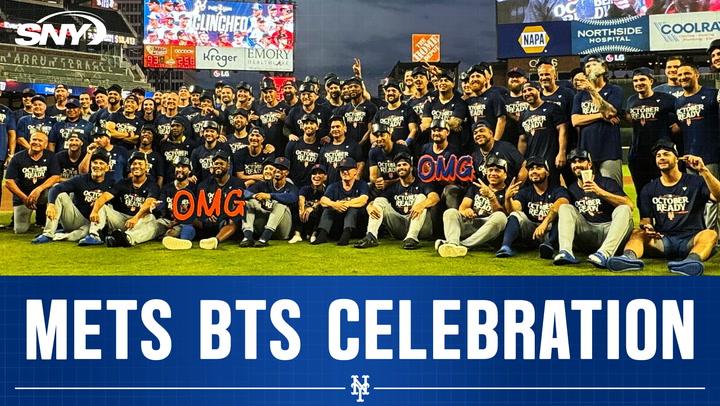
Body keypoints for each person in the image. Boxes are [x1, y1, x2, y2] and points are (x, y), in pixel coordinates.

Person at [606, 141, 720, 276]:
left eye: (666, 154)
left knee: (710, 234)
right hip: (663, 240)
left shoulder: (696, 182)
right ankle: (627, 259)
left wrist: (703, 170)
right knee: (637, 233)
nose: (661, 158)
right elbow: (645, 220)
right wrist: (647, 227)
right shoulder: (649, 189)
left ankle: (691, 262)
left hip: (691, 239)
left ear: (677, 158)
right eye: (658, 155)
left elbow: (717, 196)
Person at [553, 148, 634, 267]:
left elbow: (630, 204)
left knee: (624, 209)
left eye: (581, 161)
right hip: (587, 232)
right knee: (565, 207)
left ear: (589, 164)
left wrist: (600, 192)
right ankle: (566, 252)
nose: (577, 165)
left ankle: (604, 254)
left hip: (609, 231)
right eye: (574, 162)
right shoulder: (572, 189)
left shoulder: (606, 182)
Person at [31, 149, 114, 243]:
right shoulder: (80, 179)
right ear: (91, 165)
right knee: (60, 194)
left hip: (96, 222)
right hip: (76, 218)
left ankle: (59, 235)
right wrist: (51, 204)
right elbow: (55, 189)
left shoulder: (112, 182)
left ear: (107, 168)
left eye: (101, 163)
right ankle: (48, 234)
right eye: (95, 162)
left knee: (82, 234)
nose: (97, 166)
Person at [79, 151, 161, 247]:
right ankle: (94, 235)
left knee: (151, 218)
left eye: (140, 163)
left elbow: (148, 203)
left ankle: (127, 238)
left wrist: (135, 218)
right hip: (123, 221)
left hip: (140, 221)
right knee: (102, 206)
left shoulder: (152, 185)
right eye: (134, 164)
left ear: (146, 167)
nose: (137, 166)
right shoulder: (123, 183)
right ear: (130, 167)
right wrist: (94, 211)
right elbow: (104, 196)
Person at [354, 152, 434, 250]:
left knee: (421, 197)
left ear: (411, 167)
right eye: (399, 165)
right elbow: (379, 201)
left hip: (422, 229)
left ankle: (412, 237)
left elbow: (435, 197)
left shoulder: (422, 183)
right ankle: (371, 236)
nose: (401, 167)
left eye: (404, 164)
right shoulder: (393, 187)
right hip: (399, 228)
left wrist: (422, 205)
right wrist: (369, 206)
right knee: (379, 201)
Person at [496, 156, 570, 259]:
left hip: (550, 231)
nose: (534, 171)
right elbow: (514, 209)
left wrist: (545, 222)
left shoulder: (557, 190)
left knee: (561, 213)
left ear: (547, 172)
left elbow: (562, 202)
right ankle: (505, 247)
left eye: (538, 168)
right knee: (515, 215)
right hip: (531, 232)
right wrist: (508, 199)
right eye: (531, 169)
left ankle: (549, 245)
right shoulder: (525, 192)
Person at [436, 155, 509, 258]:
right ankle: (453, 243)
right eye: (490, 170)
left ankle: (461, 245)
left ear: (505, 174)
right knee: (450, 212)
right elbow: (462, 207)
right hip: (471, 223)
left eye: (497, 170)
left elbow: (505, 216)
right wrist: (466, 210)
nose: (493, 173)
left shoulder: (508, 191)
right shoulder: (476, 187)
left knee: (500, 217)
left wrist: (491, 197)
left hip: (489, 229)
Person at [571, 54, 624, 187]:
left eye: (594, 64)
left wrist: (592, 90)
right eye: (587, 66)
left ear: (604, 68)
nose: (589, 68)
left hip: (609, 151)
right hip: (586, 153)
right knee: (589, 192)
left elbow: (611, 112)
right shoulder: (580, 95)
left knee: (612, 189)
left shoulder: (614, 90)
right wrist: (601, 116)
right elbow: (575, 121)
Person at [625, 67, 677, 199]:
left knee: (666, 191)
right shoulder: (631, 100)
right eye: (635, 81)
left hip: (660, 153)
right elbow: (629, 118)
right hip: (637, 155)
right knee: (641, 193)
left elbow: (679, 120)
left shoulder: (667, 99)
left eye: (642, 79)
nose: (638, 83)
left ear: (651, 81)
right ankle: (645, 219)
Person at [4, 132, 60, 233]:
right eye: (34, 139)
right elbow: (8, 181)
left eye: (40, 140)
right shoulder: (17, 157)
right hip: (23, 195)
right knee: (20, 230)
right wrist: (24, 198)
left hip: (43, 194)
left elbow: (55, 177)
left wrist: (39, 189)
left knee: (56, 189)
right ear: (29, 141)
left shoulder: (51, 156)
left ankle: (54, 224)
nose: (36, 142)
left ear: (45, 145)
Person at [518, 81, 568, 187]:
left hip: (549, 157)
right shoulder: (523, 114)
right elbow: (522, 139)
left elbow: (562, 129)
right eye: (524, 91)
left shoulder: (552, 107)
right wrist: (520, 160)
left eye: (530, 89)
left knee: (552, 186)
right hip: (531, 159)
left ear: (539, 90)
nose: (527, 93)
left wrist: (561, 152)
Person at [240, 157, 299, 247]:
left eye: (282, 168)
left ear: (287, 173)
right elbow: (243, 193)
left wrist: (270, 195)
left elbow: (292, 198)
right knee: (248, 202)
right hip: (264, 224)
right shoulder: (263, 184)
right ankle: (248, 237)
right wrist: (254, 196)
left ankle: (264, 238)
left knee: (280, 204)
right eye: (276, 167)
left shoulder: (291, 187)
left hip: (282, 229)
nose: (278, 170)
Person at [193, 150, 244, 250]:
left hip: (225, 221)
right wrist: (206, 215)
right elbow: (199, 206)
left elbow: (238, 206)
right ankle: (182, 239)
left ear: (228, 166)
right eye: (216, 163)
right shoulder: (203, 184)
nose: (218, 166)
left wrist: (223, 216)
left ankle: (215, 241)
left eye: (222, 163)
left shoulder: (237, 184)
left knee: (233, 221)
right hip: (207, 220)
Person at [312, 157, 369, 245]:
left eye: (348, 169)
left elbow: (363, 200)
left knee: (353, 209)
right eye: (342, 169)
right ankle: (322, 235)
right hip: (337, 225)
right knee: (328, 208)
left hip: (357, 226)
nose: (345, 172)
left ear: (355, 171)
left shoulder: (362, 184)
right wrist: (334, 204)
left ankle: (346, 236)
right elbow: (323, 200)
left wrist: (345, 204)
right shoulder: (334, 186)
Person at [158, 157, 198, 250]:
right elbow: (161, 207)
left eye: (184, 167)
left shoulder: (195, 189)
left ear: (190, 171)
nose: (180, 169)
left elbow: (195, 213)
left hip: (184, 223)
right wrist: (155, 207)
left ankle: (182, 241)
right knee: (154, 224)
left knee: (186, 228)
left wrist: (178, 221)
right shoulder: (167, 187)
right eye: (177, 167)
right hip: (167, 221)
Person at [373, 78, 419, 146]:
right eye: (388, 91)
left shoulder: (408, 110)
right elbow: (373, 131)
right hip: (384, 149)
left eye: (394, 90)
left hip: (402, 150)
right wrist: (375, 142)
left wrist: (406, 142)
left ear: (400, 93)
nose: (390, 93)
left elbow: (414, 129)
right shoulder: (380, 113)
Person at [319, 116, 364, 184]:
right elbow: (322, 169)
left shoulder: (353, 145)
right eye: (332, 127)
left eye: (338, 126)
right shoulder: (324, 148)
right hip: (329, 188)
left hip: (348, 186)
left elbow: (360, 163)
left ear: (345, 128)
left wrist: (356, 178)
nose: (335, 129)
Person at [292, 163, 327, 243]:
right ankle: (297, 234)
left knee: (322, 209)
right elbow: (301, 198)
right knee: (295, 206)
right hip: (304, 218)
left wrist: (313, 207)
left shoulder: (327, 189)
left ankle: (314, 235)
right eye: (314, 173)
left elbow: (324, 200)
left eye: (320, 173)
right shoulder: (306, 188)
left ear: (325, 177)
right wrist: (301, 209)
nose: (316, 176)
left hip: (316, 218)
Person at [285, 113, 322, 186]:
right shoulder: (293, 144)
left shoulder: (321, 146)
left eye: (311, 123)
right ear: (302, 126)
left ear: (317, 127)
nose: (308, 126)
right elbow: (287, 166)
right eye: (306, 123)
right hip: (293, 184)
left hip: (312, 186)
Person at [502, 67, 530, 147]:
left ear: (525, 80)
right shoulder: (502, 99)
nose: (514, 79)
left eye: (518, 76)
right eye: (511, 77)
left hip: (528, 142)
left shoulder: (530, 98)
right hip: (507, 144)